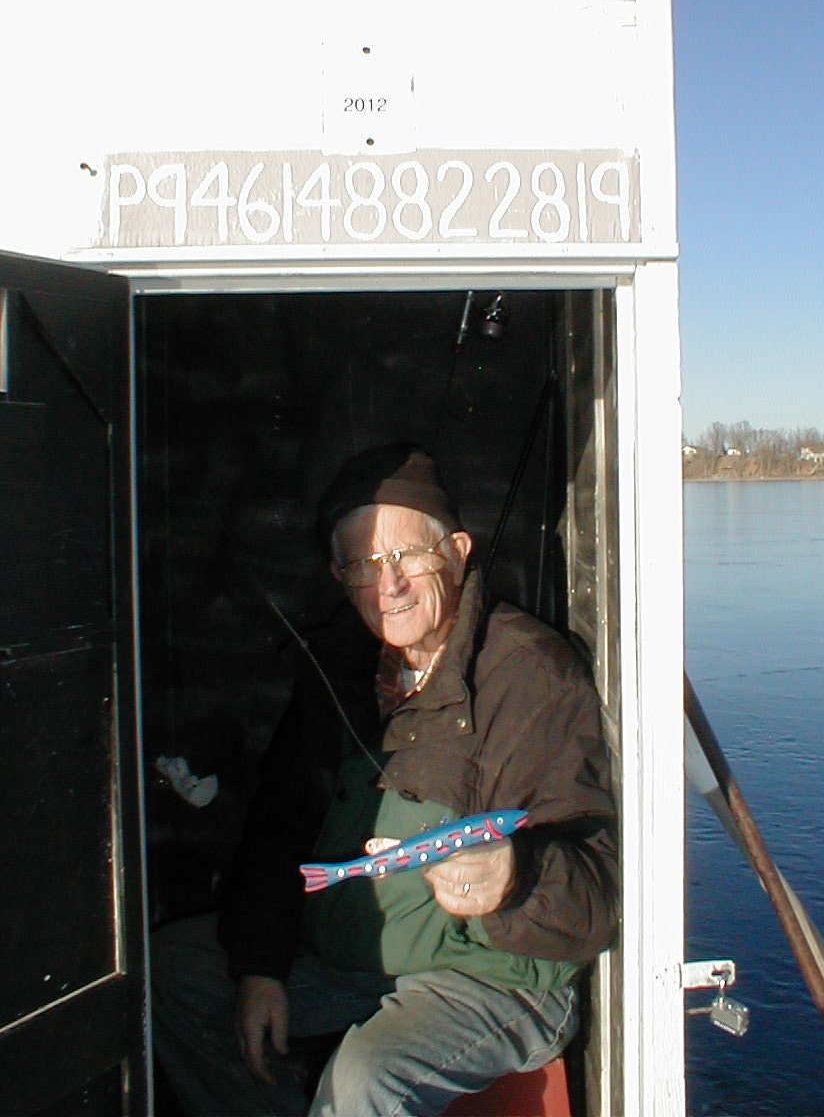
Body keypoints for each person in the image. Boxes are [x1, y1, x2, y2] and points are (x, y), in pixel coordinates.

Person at [152, 444, 618, 1117]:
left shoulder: (533, 674)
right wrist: (260, 964)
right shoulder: (336, 669)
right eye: (367, 565)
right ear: (340, 577)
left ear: (457, 551)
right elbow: (278, 830)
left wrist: (515, 875)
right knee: (172, 974)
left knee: (364, 1080)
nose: (390, 584)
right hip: (350, 958)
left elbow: (598, 895)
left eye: (409, 556)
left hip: (496, 978)